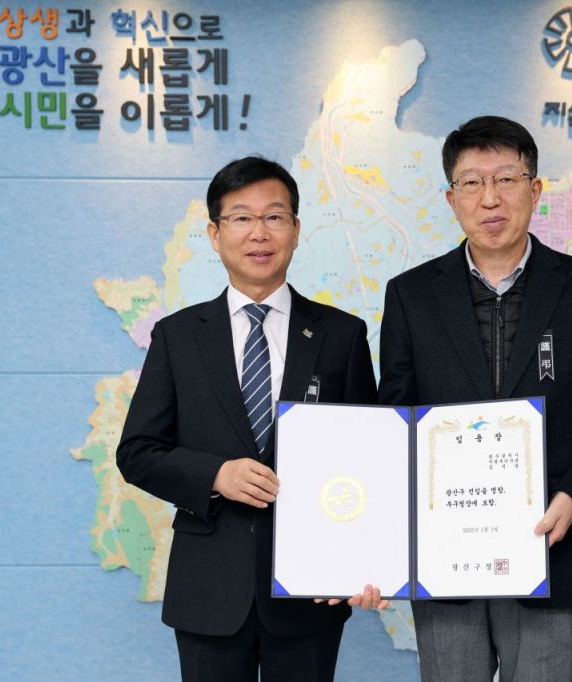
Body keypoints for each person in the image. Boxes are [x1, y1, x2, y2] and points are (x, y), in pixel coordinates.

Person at [378, 116, 572, 681]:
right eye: (472, 183)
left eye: (506, 179)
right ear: (451, 198)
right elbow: (392, 424)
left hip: (550, 548)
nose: (490, 198)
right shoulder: (411, 296)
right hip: (445, 557)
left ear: (535, 189)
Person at [117, 156, 381, 682]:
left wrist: (364, 560)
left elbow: (370, 460)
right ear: (215, 234)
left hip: (311, 589)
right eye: (241, 218)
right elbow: (137, 452)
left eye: (274, 217)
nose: (259, 233)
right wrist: (215, 474)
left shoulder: (342, 335)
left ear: (296, 230)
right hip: (208, 589)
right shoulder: (178, 336)